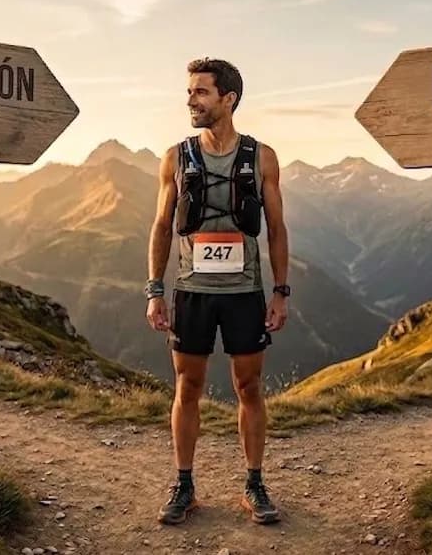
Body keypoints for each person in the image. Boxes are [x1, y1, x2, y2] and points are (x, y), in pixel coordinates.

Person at [145, 57, 290, 526]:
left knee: (249, 387)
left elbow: (277, 229)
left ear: (228, 99)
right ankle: (183, 485)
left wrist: (281, 291)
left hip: (245, 292)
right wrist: (155, 290)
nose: (191, 100)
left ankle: (255, 483)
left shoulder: (261, 157)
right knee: (187, 387)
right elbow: (162, 226)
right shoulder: (176, 156)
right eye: (190, 92)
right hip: (192, 291)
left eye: (201, 92)